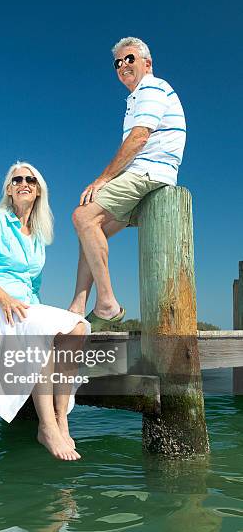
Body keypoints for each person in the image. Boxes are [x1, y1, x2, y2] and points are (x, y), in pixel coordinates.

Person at [0, 161, 90, 461]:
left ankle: (61, 419)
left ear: (38, 191)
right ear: (9, 190)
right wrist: (6, 300)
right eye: (17, 180)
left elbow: (33, 285)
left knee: (76, 327)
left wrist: (42, 313)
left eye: (30, 180)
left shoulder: (38, 235)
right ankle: (46, 428)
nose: (24, 183)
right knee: (42, 330)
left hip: (24, 307)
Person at [68, 36, 186, 331]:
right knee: (91, 230)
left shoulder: (152, 88)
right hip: (148, 171)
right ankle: (78, 307)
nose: (123, 65)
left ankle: (106, 304)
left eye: (129, 58)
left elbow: (139, 138)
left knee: (83, 216)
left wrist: (104, 178)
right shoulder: (136, 97)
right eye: (118, 62)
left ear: (148, 63)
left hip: (149, 171)